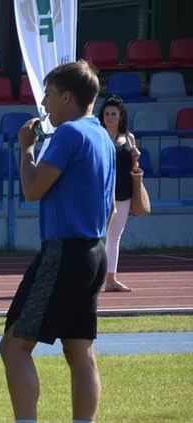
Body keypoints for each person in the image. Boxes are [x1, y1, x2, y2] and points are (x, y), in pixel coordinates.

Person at [0, 60, 115, 423]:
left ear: (67, 97)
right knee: (80, 351)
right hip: (93, 249)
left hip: (64, 249)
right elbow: (107, 205)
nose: (44, 103)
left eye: (49, 94)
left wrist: (26, 151)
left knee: (14, 346)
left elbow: (34, 189)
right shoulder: (103, 137)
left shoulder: (69, 133)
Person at [98, 96, 138, 293]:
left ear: (121, 116)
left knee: (114, 238)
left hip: (123, 193)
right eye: (107, 114)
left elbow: (133, 168)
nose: (110, 117)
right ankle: (94, 279)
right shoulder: (98, 135)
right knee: (96, 237)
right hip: (100, 194)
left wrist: (135, 159)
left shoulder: (129, 138)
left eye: (114, 113)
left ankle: (111, 279)